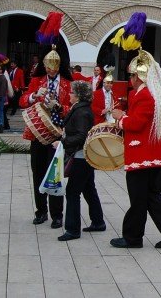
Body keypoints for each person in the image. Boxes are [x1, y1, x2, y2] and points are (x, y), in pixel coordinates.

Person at [110, 50, 161, 249]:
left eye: (132, 75)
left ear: (139, 76)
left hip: (142, 154)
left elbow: (136, 124)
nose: (130, 80)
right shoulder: (152, 93)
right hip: (150, 153)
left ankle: (133, 237)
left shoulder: (144, 95)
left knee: (138, 198)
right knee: (150, 195)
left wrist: (120, 117)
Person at [19, 48, 72, 228]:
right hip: (38, 133)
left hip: (57, 134)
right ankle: (41, 211)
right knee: (38, 172)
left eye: (54, 67)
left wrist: (58, 107)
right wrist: (35, 95)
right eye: (48, 67)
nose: (51, 71)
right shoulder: (36, 81)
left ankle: (57, 214)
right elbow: (22, 101)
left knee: (56, 174)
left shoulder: (67, 83)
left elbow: (71, 109)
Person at [55, 81, 105, 241]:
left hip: (80, 157)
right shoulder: (80, 109)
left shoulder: (81, 112)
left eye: (71, 92)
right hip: (83, 156)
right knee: (89, 189)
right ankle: (98, 222)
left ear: (77, 95)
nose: (69, 94)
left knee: (72, 192)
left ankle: (72, 229)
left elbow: (81, 136)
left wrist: (62, 142)